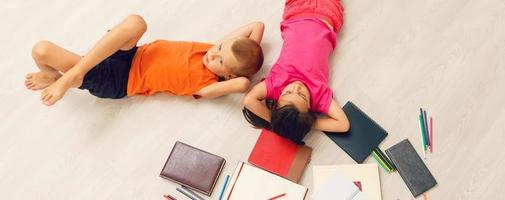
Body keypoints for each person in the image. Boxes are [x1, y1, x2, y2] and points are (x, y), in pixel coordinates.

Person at [25, 14, 264, 106]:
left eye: (220, 61)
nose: (214, 54)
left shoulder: (206, 84)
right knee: (137, 22)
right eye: (220, 47)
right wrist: (246, 52)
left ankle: (73, 75)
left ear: (229, 75)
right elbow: (257, 26)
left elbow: (243, 85)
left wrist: (244, 74)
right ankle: (60, 76)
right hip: (130, 54)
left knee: (41, 50)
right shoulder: (209, 51)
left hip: (119, 80)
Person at [243, 0, 349, 144]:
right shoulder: (318, 96)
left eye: (287, 93)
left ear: (277, 100)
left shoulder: (275, 85)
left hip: (297, 10)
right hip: (326, 12)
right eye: (302, 96)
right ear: (309, 108)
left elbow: (249, 101)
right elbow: (343, 125)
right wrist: (307, 123)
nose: (296, 88)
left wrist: (274, 120)